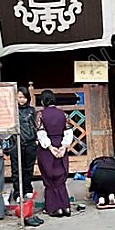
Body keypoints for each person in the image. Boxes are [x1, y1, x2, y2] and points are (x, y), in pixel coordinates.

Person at [36, 90, 73, 218]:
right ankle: (66, 206)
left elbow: (40, 133)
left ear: (42, 101)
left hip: (47, 148)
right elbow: (69, 131)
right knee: (60, 177)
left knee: (49, 178)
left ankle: (54, 208)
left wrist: (50, 147)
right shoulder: (63, 114)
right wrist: (63, 147)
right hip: (61, 145)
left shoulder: (40, 115)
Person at [8, 86, 37, 202]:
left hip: (30, 143)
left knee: (28, 168)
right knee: (16, 169)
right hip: (15, 143)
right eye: (19, 97)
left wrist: (36, 140)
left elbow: (35, 126)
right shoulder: (11, 111)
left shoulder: (32, 110)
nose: (22, 100)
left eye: (24, 97)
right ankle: (17, 192)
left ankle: (27, 189)